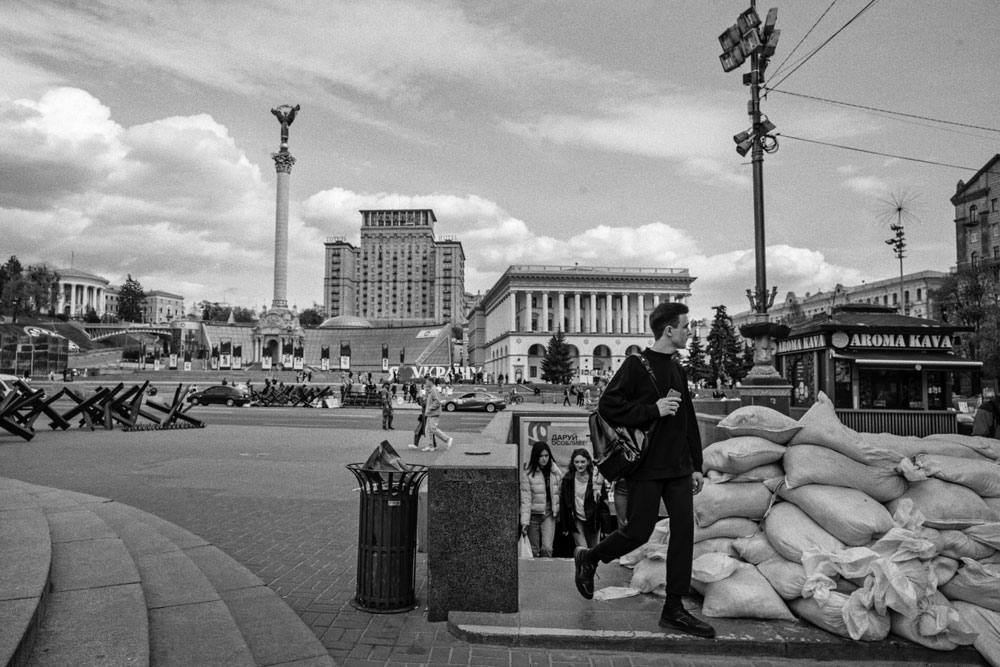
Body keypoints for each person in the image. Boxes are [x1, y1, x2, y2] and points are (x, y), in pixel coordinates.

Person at [571, 301, 714, 639]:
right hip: (646, 466)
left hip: (678, 467)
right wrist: (653, 409)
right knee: (638, 531)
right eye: (685, 326)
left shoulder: (678, 369)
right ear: (668, 330)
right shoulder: (637, 364)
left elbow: (688, 419)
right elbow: (609, 405)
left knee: (684, 532)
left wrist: (696, 464)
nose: (688, 332)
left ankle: (674, 608)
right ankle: (591, 557)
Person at [519, 441, 563, 557]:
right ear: (535, 457)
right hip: (533, 514)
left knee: (547, 548)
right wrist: (524, 522)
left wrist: (558, 513)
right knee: (533, 550)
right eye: (541, 456)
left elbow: (559, 493)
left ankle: (546, 572)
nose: (544, 459)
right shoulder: (528, 474)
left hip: (549, 512)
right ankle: (535, 573)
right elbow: (526, 500)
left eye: (546, 456)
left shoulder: (555, 471)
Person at [558, 448, 606, 550]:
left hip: (593, 519)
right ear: (573, 463)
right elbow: (564, 503)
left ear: (588, 462)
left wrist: (606, 527)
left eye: (582, 462)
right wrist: (564, 525)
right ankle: (582, 566)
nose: (580, 465)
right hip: (576, 519)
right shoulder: (568, 479)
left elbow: (603, 503)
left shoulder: (596, 479)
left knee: (593, 551)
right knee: (583, 551)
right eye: (577, 462)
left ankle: (591, 566)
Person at [420, 377, 454, 451]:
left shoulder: (434, 390)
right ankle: (430, 445)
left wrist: (430, 408)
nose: (425, 384)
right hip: (430, 413)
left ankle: (447, 439)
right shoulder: (431, 390)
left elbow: (437, 401)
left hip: (434, 413)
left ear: (431, 382)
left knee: (432, 429)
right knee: (427, 430)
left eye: (427, 382)